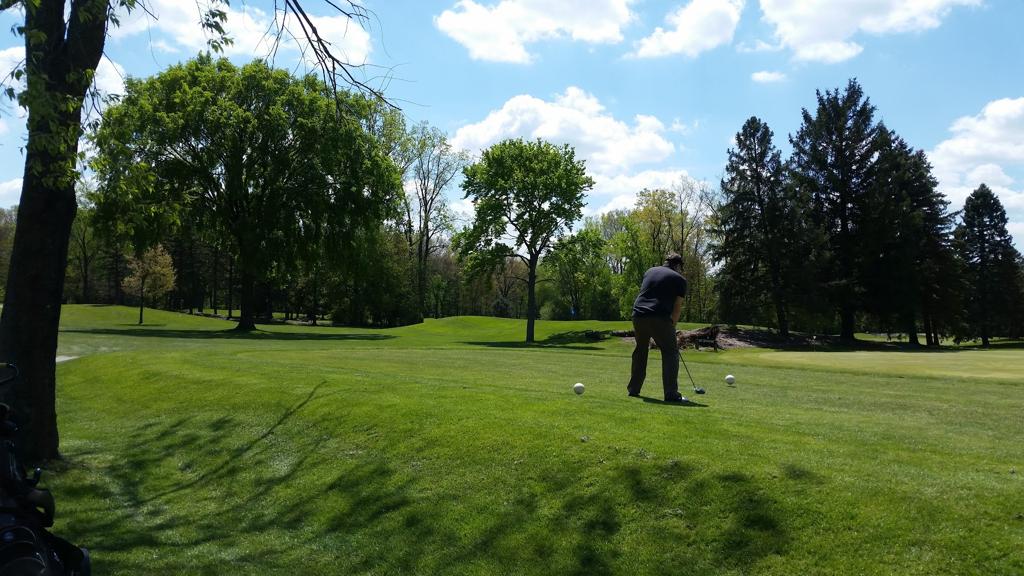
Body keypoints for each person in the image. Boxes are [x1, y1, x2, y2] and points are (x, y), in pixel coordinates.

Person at [627, 252, 688, 401]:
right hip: (659, 316)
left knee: (641, 350)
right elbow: (677, 307)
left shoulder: (650, 271)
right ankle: (671, 394)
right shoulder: (680, 279)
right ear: (678, 265)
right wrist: (672, 324)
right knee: (670, 352)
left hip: (638, 315)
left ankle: (634, 389)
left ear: (666, 261)